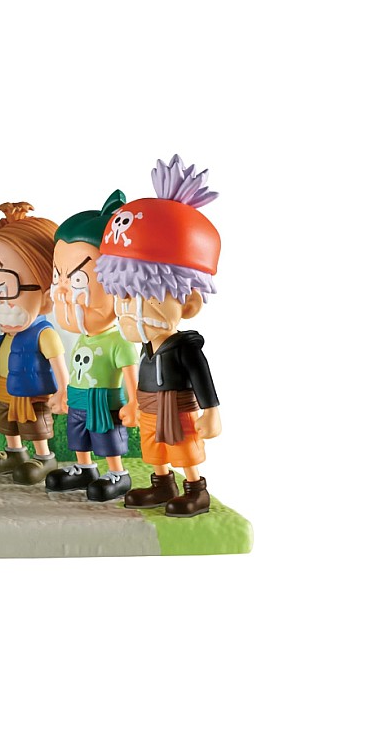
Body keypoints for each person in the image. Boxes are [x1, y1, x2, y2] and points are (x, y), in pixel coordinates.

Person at [95, 155, 221, 517]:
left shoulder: (185, 348)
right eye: (124, 296)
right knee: (153, 448)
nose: (131, 308)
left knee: (183, 447)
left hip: (177, 407)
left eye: (147, 296)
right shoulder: (145, 347)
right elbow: (139, 377)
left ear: (189, 302)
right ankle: (162, 484)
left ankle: (195, 490)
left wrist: (211, 412)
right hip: (150, 406)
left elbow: (202, 379)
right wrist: (136, 404)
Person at [45, 192, 139, 501]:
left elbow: (130, 374)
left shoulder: (118, 341)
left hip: (104, 401)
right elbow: (74, 371)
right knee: (79, 435)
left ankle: (117, 472)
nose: (63, 291)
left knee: (106, 435)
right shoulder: (82, 338)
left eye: (76, 280)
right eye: (58, 276)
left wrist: (133, 403)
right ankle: (85, 468)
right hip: (79, 397)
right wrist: (64, 392)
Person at [0, 202, 68, 485]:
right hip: (4, 388)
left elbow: (58, 366)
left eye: (1, 287)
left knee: (33, 424)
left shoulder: (43, 334)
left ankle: (44, 457)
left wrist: (62, 392)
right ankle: (14, 453)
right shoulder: (4, 333)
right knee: (8, 423)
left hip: (32, 393)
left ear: (47, 294)